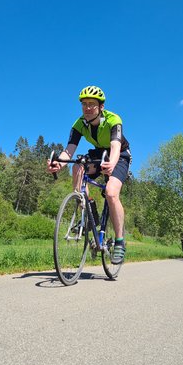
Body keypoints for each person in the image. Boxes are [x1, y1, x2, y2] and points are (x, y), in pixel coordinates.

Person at [47, 85, 132, 264]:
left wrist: (112, 164)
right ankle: (87, 207)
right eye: (84, 104)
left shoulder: (113, 119)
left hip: (120, 155)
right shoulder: (79, 124)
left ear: (101, 107)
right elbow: (69, 151)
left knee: (111, 193)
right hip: (98, 153)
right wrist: (58, 163)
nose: (87, 108)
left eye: (91, 104)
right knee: (77, 166)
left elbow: (116, 146)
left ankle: (119, 241)